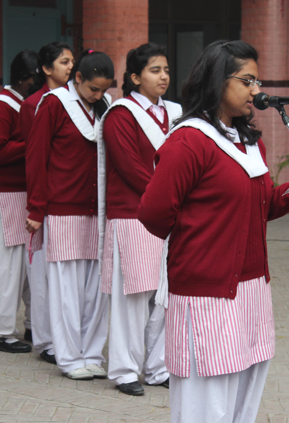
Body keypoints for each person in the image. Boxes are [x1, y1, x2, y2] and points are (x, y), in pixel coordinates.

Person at [137, 40, 289, 423]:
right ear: (217, 80)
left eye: (257, 81)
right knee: (207, 400)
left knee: (245, 387)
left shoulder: (248, 141)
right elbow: (153, 212)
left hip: (251, 286)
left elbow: (266, 205)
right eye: (247, 81)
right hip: (206, 289)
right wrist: (200, 237)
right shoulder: (189, 140)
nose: (256, 90)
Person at [98, 43, 180, 396]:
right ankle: (124, 370)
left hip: (168, 214)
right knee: (132, 295)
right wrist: (169, 196)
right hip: (133, 214)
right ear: (135, 77)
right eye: (154, 70)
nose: (163, 77)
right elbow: (130, 167)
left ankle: (158, 367)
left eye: (166, 70)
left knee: (165, 294)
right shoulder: (120, 115)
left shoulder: (174, 113)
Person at [26, 49, 113, 380]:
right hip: (63, 209)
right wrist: (36, 207)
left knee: (96, 289)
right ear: (77, 78)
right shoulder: (53, 104)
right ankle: (69, 357)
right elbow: (36, 157)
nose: (98, 95)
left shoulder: (104, 107)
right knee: (66, 288)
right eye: (93, 89)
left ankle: (91, 353)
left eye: (103, 90)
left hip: (97, 210)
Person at [0, 50, 39, 354]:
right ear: (23, 79)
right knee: (7, 266)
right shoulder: (0, 106)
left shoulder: (27, 104)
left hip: (24, 194)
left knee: (28, 266)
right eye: (35, 78)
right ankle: (2, 332)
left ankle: (32, 324)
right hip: (5, 194)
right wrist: (32, 143)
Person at [19, 41, 74, 364]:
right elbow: (35, 156)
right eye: (64, 62)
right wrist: (36, 205)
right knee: (42, 274)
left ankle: (66, 337)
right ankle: (45, 339)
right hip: (46, 197)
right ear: (46, 68)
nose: (70, 67)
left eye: (72, 62)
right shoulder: (34, 104)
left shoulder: (78, 101)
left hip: (70, 197)